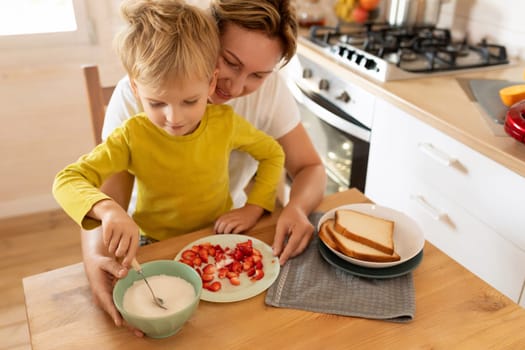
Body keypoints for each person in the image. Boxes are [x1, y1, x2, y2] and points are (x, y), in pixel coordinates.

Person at [82, 0, 327, 335]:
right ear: (206, 36)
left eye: (257, 75)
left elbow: (310, 166)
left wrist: (296, 207)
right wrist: (95, 258)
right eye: (229, 62)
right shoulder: (137, 97)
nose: (236, 87)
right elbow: (107, 198)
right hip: (154, 240)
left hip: (221, 232)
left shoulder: (269, 91)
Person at [53, 0, 285, 268]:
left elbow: (273, 153)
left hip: (217, 236)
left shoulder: (227, 123)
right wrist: (106, 209)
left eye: (189, 101)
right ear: (136, 89)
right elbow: (66, 180)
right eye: (157, 103)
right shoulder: (131, 135)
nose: (174, 119)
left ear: (211, 83)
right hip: (152, 244)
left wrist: (254, 206)